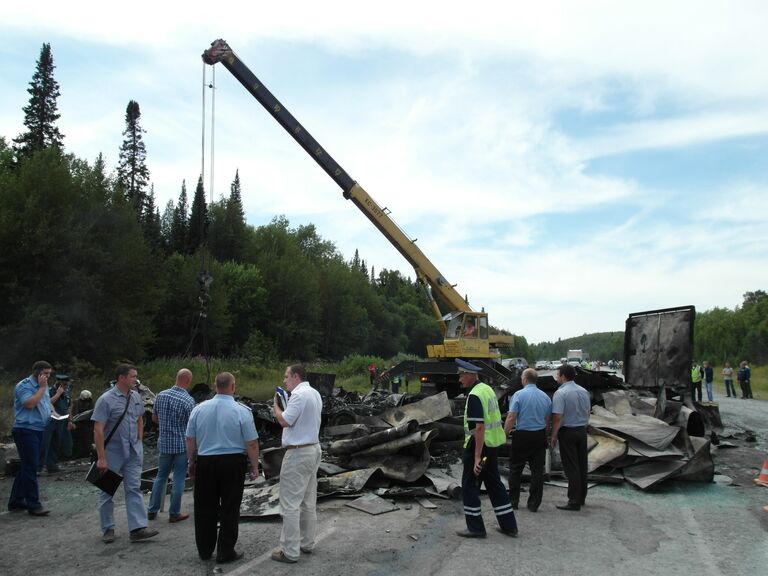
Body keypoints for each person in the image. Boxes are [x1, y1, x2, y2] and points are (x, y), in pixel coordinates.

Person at [186, 372, 260, 564]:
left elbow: (190, 438)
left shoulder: (199, 409)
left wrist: (191, 462)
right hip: (232, 462)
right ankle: (225, 551)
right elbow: (251, 443)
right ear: (233, 386)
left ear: (214, 386)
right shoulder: (242, 411)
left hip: (206, 461)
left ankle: (204, 549)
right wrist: (254, 465)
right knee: (230, 507)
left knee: (204, 507)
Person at [92, 364, 158, 544]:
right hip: (112, 451)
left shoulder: (136, 396)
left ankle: (137, 529)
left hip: (133, 451)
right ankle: (108, 528)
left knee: (134, 488)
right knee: (107, 490)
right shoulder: (106, 400)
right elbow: (98, 430)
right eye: (132, 376)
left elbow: (139, 418)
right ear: (121, 378)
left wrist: (139, 439)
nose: (135, 380)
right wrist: (101, 457)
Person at [455, 358, 517, 538]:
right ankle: (509, 526)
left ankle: (475, 528)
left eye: (461, 375)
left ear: (469, 374)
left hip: (479, 445)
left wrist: (476, 456)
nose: (459, 379)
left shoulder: (475, 395)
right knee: (494, 484)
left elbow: (479, 427)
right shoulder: (487, 389)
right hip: (493, 444)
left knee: (469, 485)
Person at [271, 364, 323, 563]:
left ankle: (290, 551)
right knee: (308, 501)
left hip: (299, 452)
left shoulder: (299, 395)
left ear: (295, 376)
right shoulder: (315, 393)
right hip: (313, 449)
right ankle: (307, 543)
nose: (284, 380)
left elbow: (285, 420)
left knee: (290, 505)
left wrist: (276, 404)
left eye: (286, 376)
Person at [147, 368, 196, 523]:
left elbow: (154, 418)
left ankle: (152, 510)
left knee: (160, 476)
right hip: (181, 445)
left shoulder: (161, 395)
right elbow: (192, 427)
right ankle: (174, 513)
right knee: (179, 478)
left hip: (164, 443)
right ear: (188, 381)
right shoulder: (188, 401)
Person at [7, 361, 55, 516]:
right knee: (31, 467)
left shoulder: (45, 386)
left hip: (39, 429)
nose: (48, 376)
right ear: (37, 372)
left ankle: (16, 501)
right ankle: (33, 504)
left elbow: (46, 403)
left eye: (49, 373)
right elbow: (29, 404)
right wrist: (41, 388)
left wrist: (56, 415)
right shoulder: (24, 386)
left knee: (27, 466)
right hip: (25, 430)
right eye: (45, 373)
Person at [503, 368, 552, 512]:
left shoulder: (518, 395)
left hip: (522, 436)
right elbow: (547, 420)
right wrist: (547, 435)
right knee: (537, 471)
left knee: (515, 469)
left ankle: (513, 502)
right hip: (539, 436)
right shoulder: (545, 397)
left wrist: (504, 433)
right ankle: (533, 504)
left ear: (524, 379)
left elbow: (511, 417)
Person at [550, 363, 590, 511]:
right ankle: (581, 497)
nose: (556, 378)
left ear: (563, 376)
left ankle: (573, 501)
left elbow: (557, 417)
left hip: (567, 432)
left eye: (557, 375)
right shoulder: (584, 391)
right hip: (581, 430)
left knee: (571, 467)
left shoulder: (561, 393)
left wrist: (553, 435)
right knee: (581, 465)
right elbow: (587, 412)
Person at [39, 373, 72, 473]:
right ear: (59, 384)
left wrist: (70, 420)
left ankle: (52, 465)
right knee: (45, 443)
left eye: (67, 385)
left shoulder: (67, 392)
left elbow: (69, 405)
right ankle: (39, 466)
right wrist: (58, 394)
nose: (66, 387)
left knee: (56, 443)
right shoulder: (49, 391)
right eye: (64, 385)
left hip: (61, 421)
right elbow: (47, 403)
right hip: (50, 421)